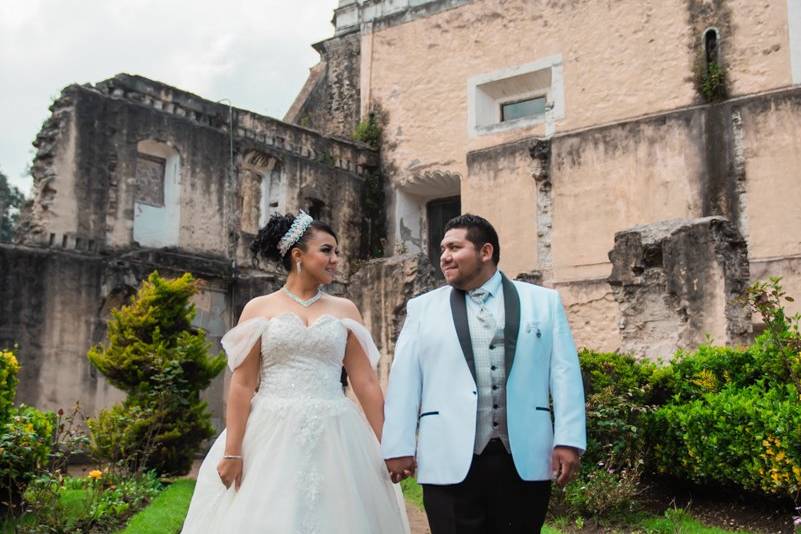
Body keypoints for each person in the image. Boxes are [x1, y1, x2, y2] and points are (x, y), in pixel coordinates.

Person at [182, 210, 409, 534]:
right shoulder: (259, 308)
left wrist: (390, 446)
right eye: (327, 250)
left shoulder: (345, 309)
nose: (336, 259)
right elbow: (243, 384)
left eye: (337, 252)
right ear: (298, 255)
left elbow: (366, 382)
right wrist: (233, 451)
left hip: (337, 432)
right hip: (270, 431)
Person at [382, 214, 586, 534]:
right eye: (442, 248)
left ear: (485, 252)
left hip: (524, 455)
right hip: (447, 454)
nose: (444, 256)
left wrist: (569, 440)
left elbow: (564, 373)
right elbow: (405, 381)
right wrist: (398, 445)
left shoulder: (544, 303)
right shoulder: (422, 309)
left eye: (454, 247)